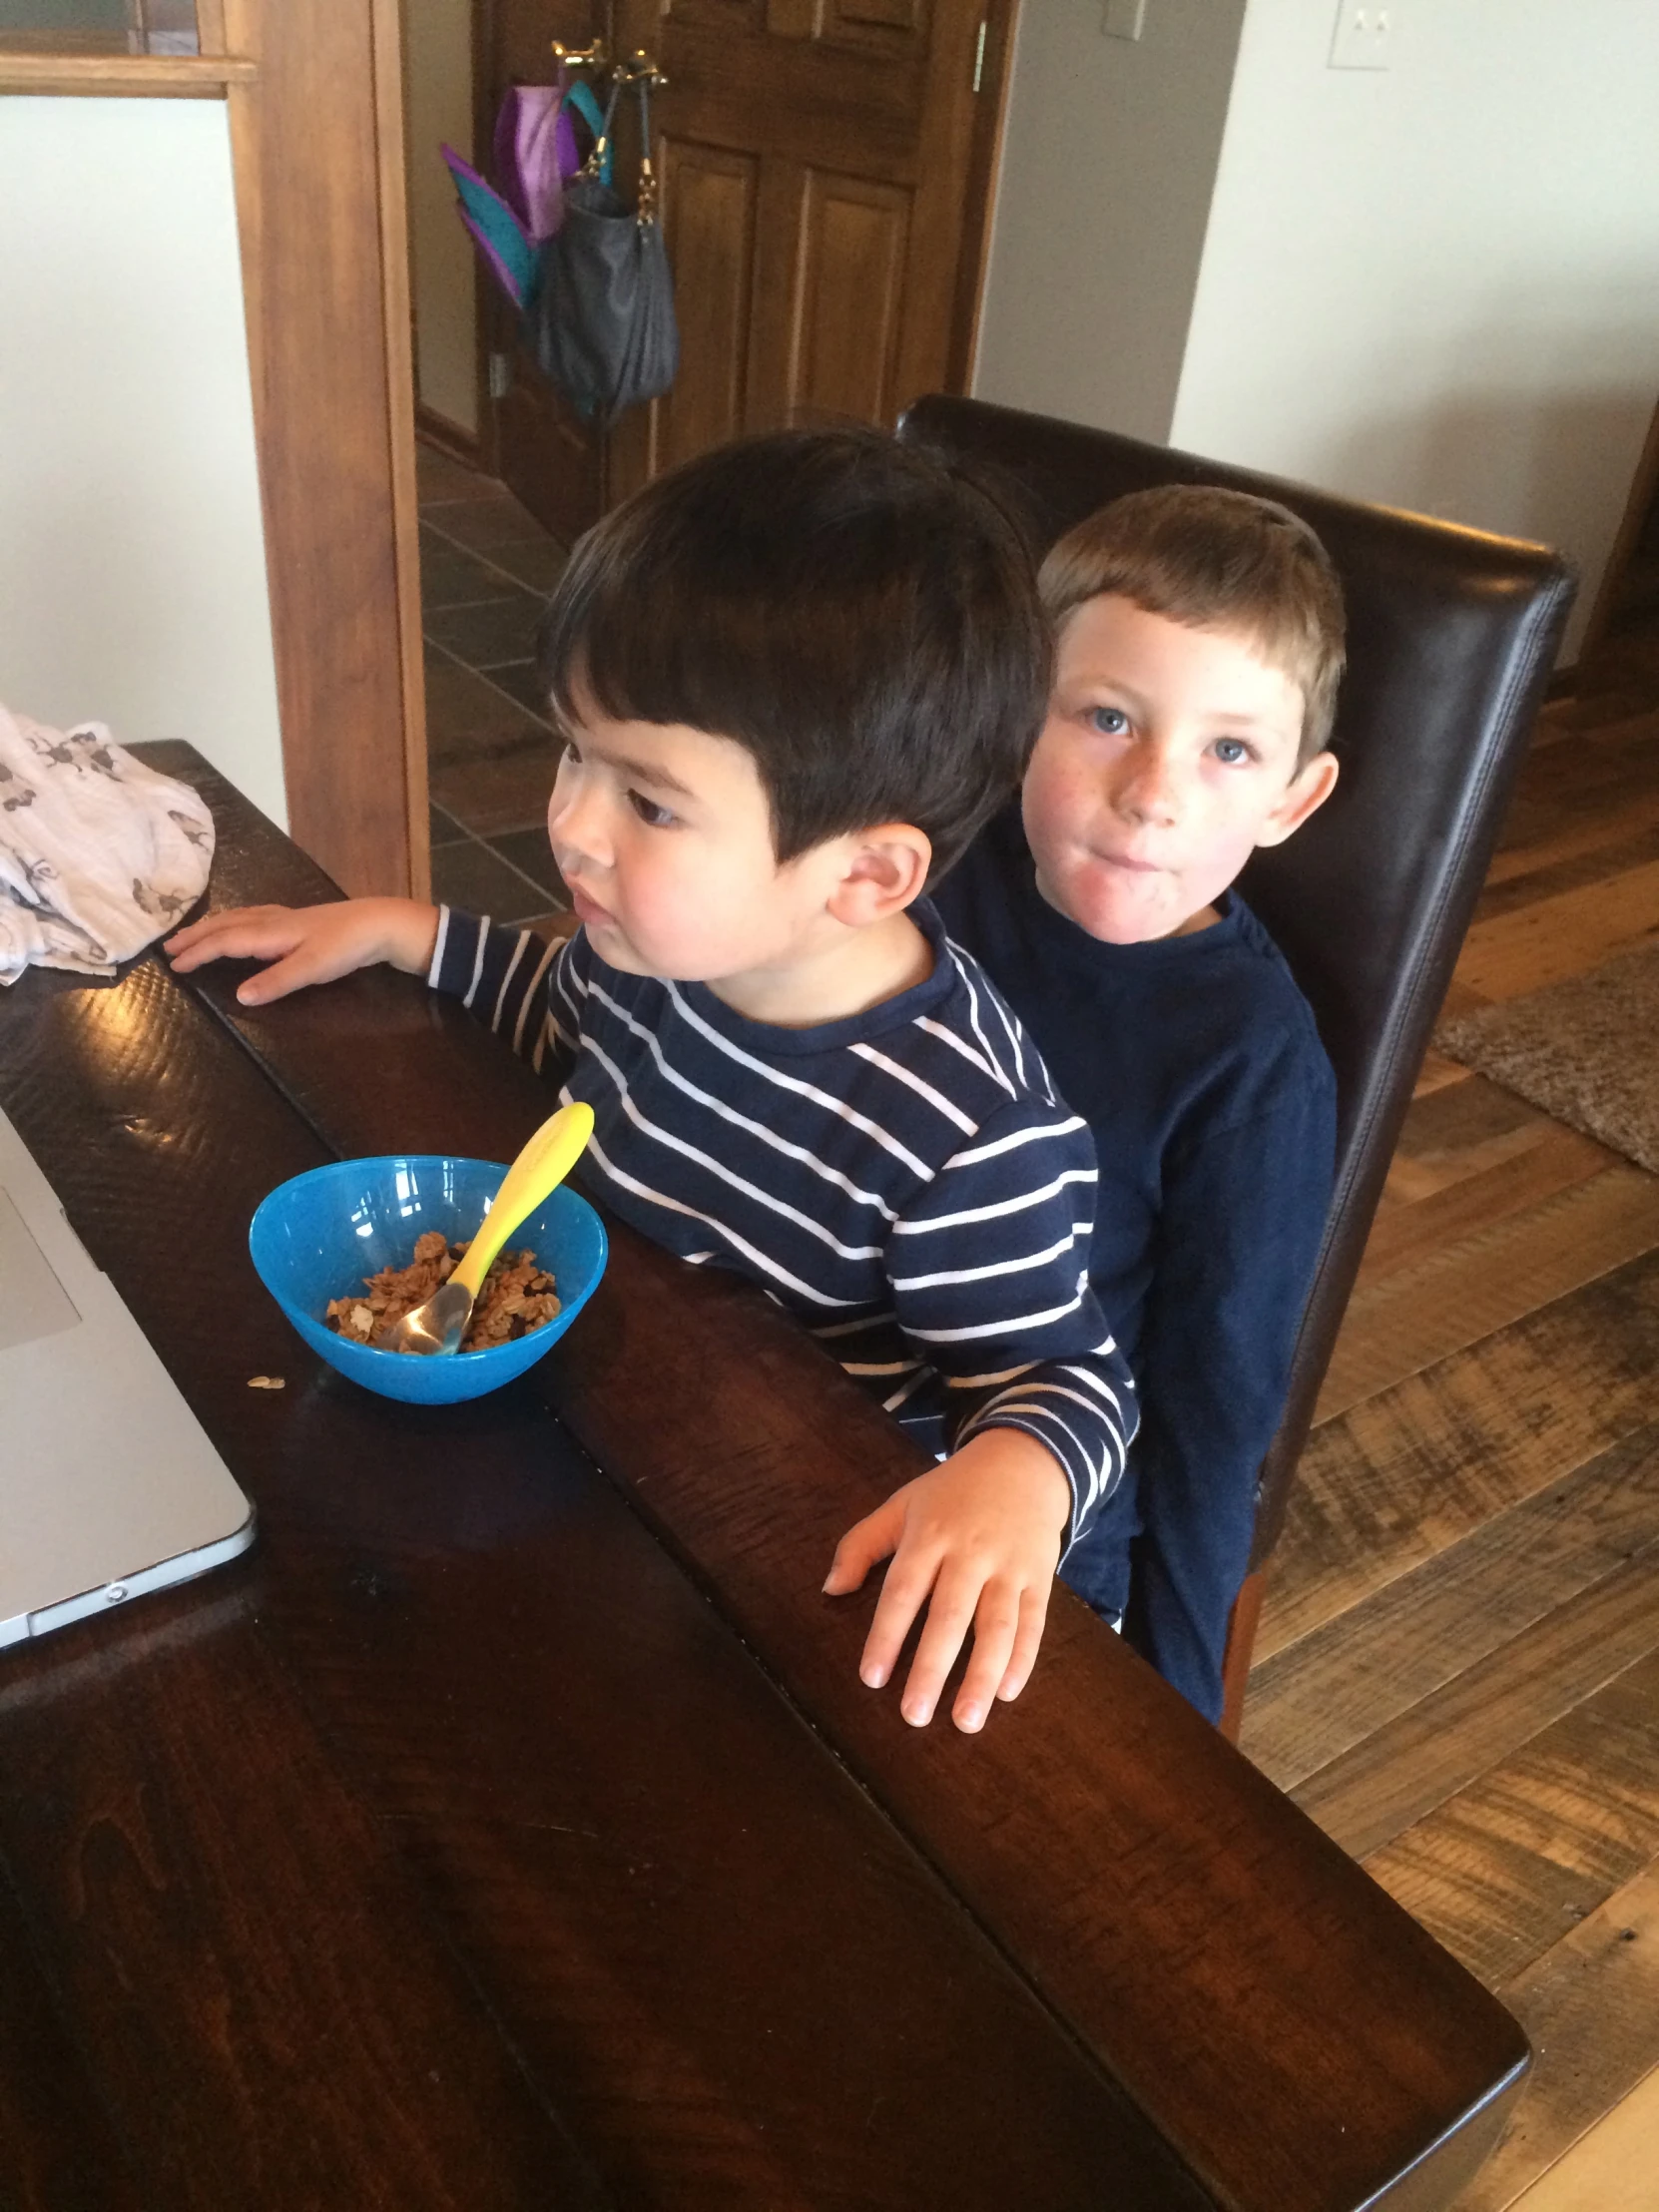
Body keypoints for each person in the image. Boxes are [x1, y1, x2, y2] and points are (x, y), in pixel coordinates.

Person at [166, 427, 1136, 1737]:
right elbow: (552, 1019)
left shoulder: (962, 1134)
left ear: (863, 876)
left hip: (793, 1569)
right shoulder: (651, 952)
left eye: (650, 803)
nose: (571, 821)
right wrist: (405, 931)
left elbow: (1065, 1376)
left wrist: (1015, 1478)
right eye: (575, 752)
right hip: (613, 1443)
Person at [933, 484, 1345, 1726]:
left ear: (1293, 797)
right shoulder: (935, 870)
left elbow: (1216, 1420)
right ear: (1018, 718)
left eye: (1229, 749)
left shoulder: (1254, 1067)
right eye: (1109, 717)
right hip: (826, 1380)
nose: (1155, 792)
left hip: (1048, 1520)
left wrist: (1176, 1720)